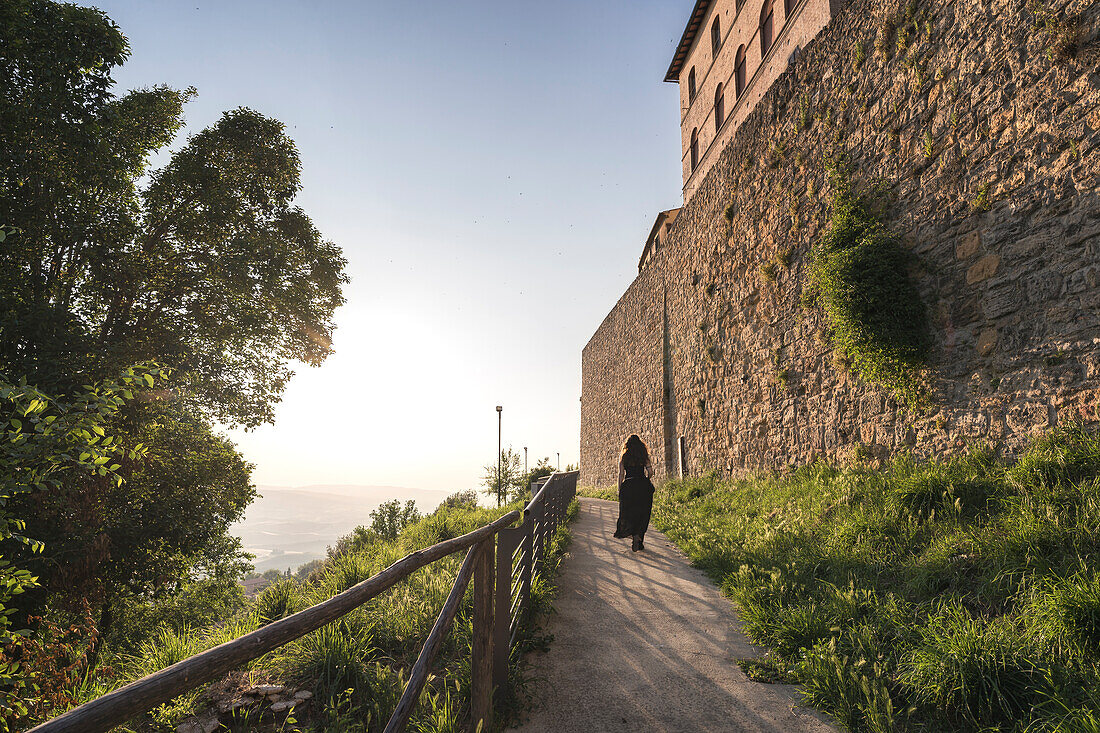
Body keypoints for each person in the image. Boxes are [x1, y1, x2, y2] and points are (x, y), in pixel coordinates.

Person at [613, 434, 655, 552]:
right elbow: (650, 471)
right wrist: (647, 479)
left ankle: (632, 535)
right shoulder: (644, 456)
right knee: (643, 513)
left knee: (628, 513)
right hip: (642, 486)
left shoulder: (624, 457)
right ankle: (639, 538)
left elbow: (621, 474)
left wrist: (620, 488)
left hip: (629, 486)